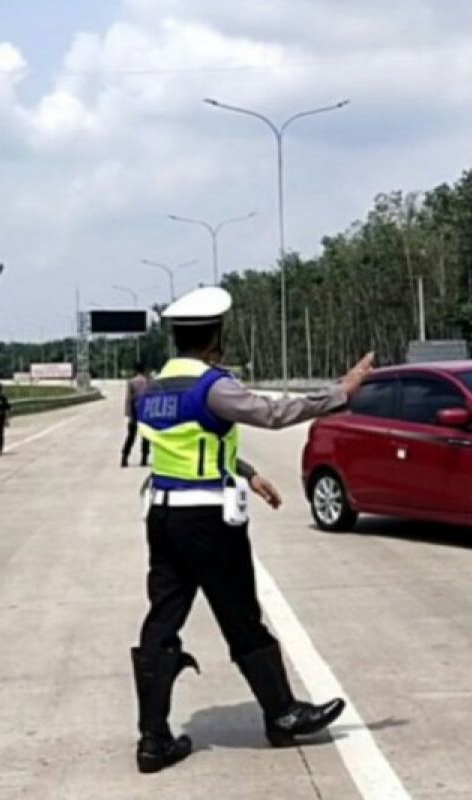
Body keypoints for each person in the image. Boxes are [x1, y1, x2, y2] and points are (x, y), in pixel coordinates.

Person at [130, 286, 375, 774]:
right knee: (240, 612)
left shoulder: (155, 388)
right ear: (215, 337)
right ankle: (282, 712)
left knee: (163, 618)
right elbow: (273, 413)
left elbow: (187, 446)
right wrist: (340, 393)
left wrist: (244, 472)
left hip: (162, 514)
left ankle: (153, 740)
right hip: (206, 521)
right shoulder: (212, 385)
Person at [121, 363, 151, 468]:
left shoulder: (131, 382)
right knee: (146, 436)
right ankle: (144, 459)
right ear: (143, 370)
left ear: (135, 370)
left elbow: (129, 399)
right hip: (146, 412)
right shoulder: (148, 381)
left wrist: (128, 414)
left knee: (131, 436)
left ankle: (124, 458)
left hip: (134, 412)